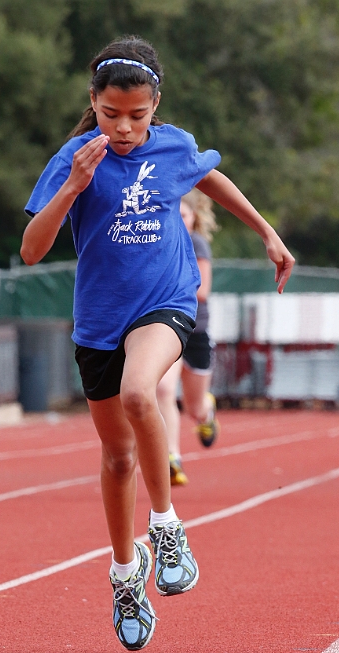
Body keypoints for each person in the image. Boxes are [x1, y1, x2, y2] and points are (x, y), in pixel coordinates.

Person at [21, 36, 295, 652]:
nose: (122, 127)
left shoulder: (172, 146)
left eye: (137, 116)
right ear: (93, 102)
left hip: (165, 302)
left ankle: (167, 527)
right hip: (98, 322)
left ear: (155, 107)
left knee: (141, 391)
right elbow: (31, 249)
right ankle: (125, 575)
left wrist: (267, 233)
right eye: (110, 113)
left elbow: (210, 176)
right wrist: (73, 185)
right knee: (117, 461)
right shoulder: (75, 156)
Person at [157, 189, 219, 486]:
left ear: (194, 217)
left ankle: (206, 413)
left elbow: (202, 291)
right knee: (164, 391)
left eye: (184, 215)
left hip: (194, 329)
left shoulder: (197, 244)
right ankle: (172, 457)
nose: (179, 221)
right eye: (174, 216)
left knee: (194, 406)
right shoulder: (158, 242)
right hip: (165, 327)